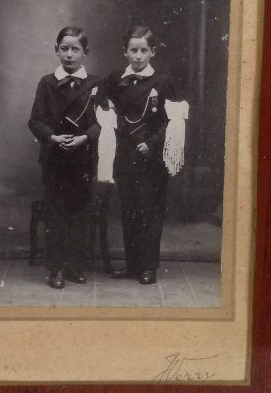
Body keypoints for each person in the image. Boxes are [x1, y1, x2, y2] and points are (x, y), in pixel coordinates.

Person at [103, 26, 181, 285]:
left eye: (143, 50)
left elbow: (172, 121)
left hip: (150, 158)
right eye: (133, 50)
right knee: (129, 211)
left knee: (150, 211)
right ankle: (132, 264)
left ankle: (148, 267)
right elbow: (104, 108)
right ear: (125, 52)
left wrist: (153, 144)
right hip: (124, 155)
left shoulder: (162, 82)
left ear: (152, 52)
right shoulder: (116, 79)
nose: (138, 56)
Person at [27, 26, 101, 289]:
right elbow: (35, 120)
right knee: (56, 214)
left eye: (75, 49)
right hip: (55, 158)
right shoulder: (47, 83)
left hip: (82, 158)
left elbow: (102, 122)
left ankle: (74, 266)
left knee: (79, 211)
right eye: (64, 49)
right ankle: (56, 268)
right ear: (56, 50)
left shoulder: (95, 85)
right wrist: (53, 138)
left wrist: (84, 138)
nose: (69, 54)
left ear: (85, 52)